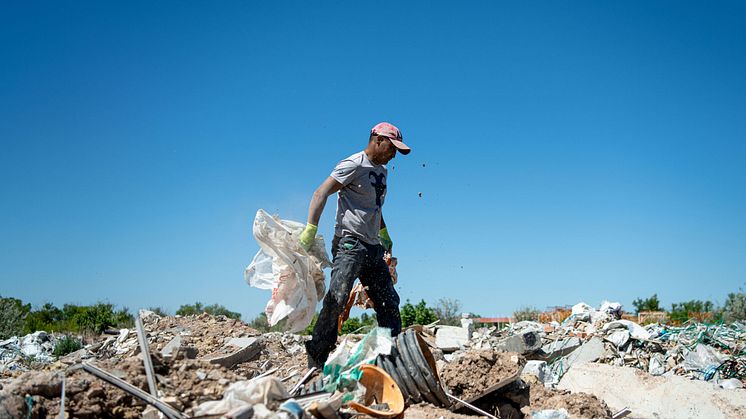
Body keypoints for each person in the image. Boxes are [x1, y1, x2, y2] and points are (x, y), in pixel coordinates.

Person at [298, 122, 411, 368]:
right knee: (337, 297)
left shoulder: (383, 171)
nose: (393, 155)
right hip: (350, 243)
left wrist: (384, 232)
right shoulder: (353, 164)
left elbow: (374, 207)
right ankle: (317, 356)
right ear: (378, 140)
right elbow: (321, 193)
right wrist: (311, 228)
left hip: (373, 248)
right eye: (392, 148)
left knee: (388, 303)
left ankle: (387, 359)